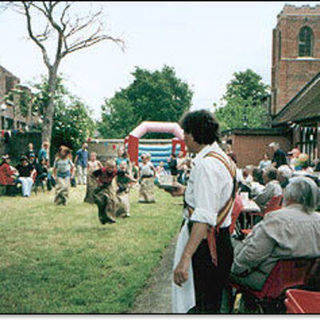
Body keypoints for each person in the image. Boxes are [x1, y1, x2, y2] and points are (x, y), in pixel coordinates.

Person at [167, 110, 236, 314]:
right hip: (218, 241)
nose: (184, 139)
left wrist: (185, 258)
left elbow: (205, 217)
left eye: (185, 133)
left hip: (207, 247)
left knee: (202, 306)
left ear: (193, 134)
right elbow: (215, 198)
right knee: (210, 304)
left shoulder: (207, 165)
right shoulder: (222, 158)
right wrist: (186, 192)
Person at [230, 177, 320, 312]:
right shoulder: (318, 220)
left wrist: (234, 268)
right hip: (302, 283)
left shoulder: (276, 219)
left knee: (225, 263)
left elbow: (249, 257)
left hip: (268, 283)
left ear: (288, 194)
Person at [92, 159, 126, 224]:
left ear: (115, 167)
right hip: (100, 188)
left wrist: (133, 179)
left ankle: (110, 217)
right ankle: (103, 218)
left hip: (108, 186)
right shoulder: (101, 171)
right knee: (103, 201)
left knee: (113, 201)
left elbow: (124, 174)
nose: (110, 169)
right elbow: (92, 175)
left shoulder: (116, 171)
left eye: (112, 167)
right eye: (109, 167)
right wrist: (97, 182)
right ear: (106, 166)